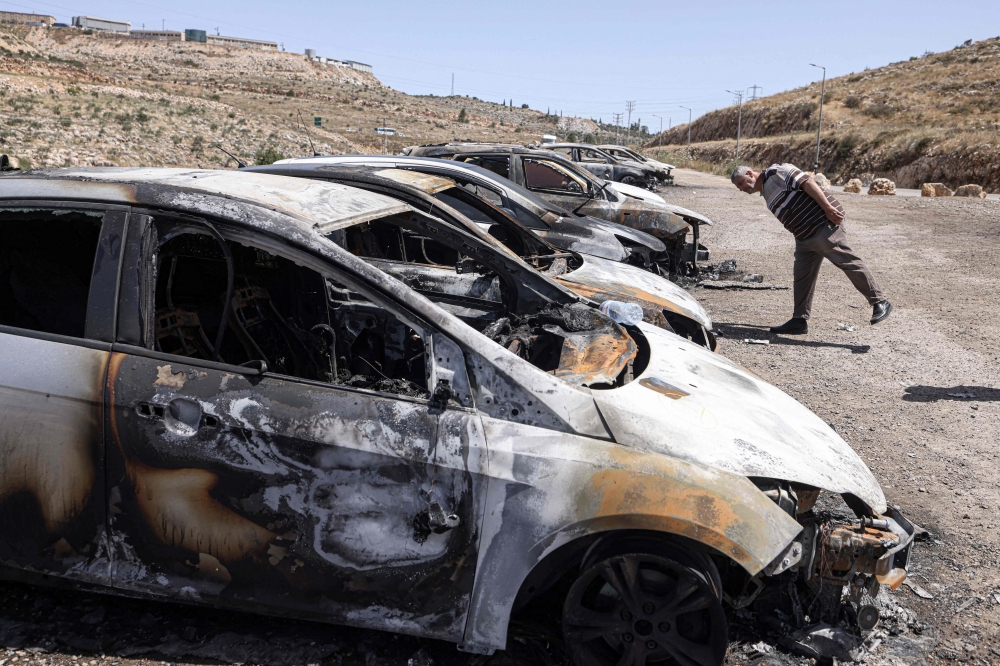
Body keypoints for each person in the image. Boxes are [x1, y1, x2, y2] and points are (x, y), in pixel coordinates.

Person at [730, 163, 892, 334]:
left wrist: (828, 209)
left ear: (749, 173)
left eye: (741, 183)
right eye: (738, 187)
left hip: (822, 225)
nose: (741, 189)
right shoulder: (766, 191)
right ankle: (799, 320)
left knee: (847, 261)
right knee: (802, 277)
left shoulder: (776, 172)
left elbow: (807, 182)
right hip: (805, 238)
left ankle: (879, 302)